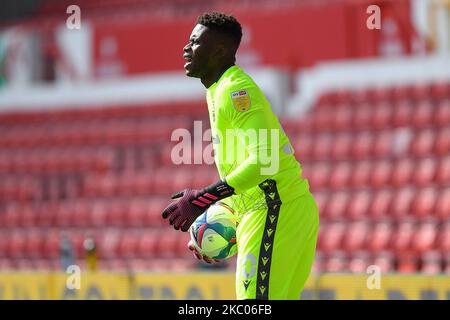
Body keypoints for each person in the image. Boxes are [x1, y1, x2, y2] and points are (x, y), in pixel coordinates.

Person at [162, 11, 319, 300]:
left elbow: (265, 160)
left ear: (220, 50)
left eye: (195, 42)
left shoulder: (236, 90)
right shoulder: (217, 89)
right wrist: (212, 232)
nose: (186, 48)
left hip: (274, 208)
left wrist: (202, 199)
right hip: (274, 208)